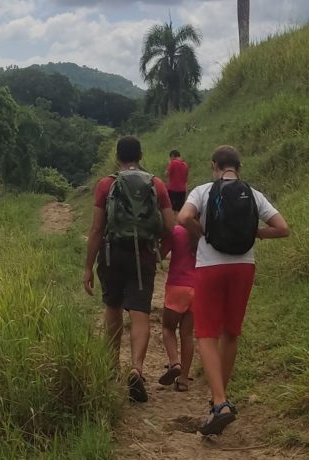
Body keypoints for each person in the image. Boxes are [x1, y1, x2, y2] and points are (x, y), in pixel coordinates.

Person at [177, 145, 290, 435]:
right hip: (244, 267)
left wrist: (203, 233)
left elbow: (183, 218)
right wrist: (253, 233)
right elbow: (282, 228)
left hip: (210, 267)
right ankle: (220, 399)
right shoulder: (253, 194)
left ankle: (219, 402)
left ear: (214, 165)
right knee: (230, 332)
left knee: (205, 333)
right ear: (238, 167)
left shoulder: (203, 191)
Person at [84, 136, 175, 403]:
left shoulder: (106, 184)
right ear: (140, 155)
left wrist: (88, 267)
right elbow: (170, 226)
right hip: (143, 256)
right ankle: (136, 367)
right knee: (140, 313)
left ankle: (111, 366)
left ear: (117, 157)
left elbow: (97, 229)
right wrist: (161, 252)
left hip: (112, 255)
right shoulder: (156, 184)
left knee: (112, 308)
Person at [158, 223, 197, 392]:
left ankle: (175, 362)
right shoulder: (206, 233)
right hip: (198, 289)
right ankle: (183, 380)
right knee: (187, 334)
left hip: (176, 286)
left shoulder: (176, 231)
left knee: (168, 328)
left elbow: (160, 255)